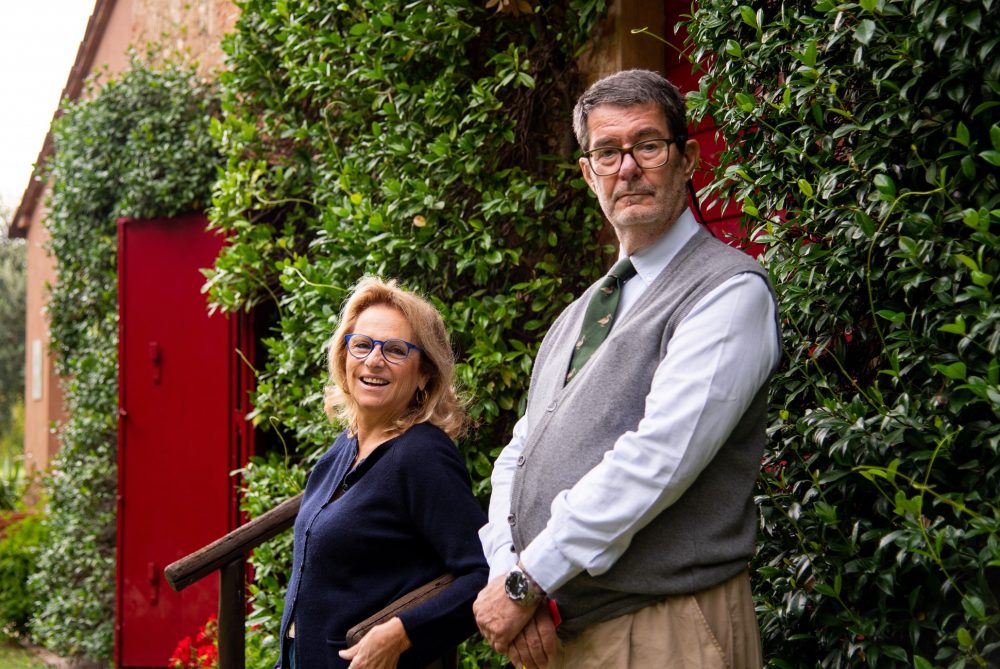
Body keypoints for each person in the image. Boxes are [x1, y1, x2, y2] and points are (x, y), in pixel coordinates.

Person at [473, 69, 781, 669]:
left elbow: (657, 459)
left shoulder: (728, 291)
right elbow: (519, 453)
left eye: (648, 145)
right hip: (559, 629)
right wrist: (510, 572)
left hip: (669, 630)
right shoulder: (579, 314)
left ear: (688, 159)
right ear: (589, 173)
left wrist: (529, 580)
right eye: (607, 152)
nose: (628, 168)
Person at [278, 276, 488, 668]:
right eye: (362, 345)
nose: (374, 360)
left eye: (395, 350)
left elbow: (483, 572)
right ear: (344, 357)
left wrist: (402, 633)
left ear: (424, 374)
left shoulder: (423, 455)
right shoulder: (344, 448)